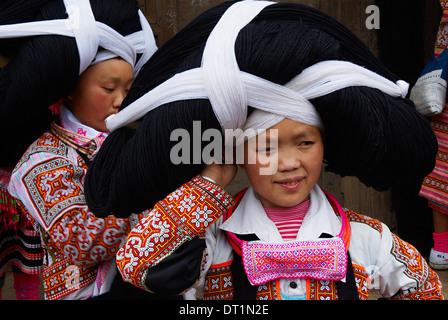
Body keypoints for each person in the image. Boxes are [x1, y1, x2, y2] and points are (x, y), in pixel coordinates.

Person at [78, 1, 441, 300]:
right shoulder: (213, 241)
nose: (288, 163)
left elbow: (425, 287)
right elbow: (138, 266)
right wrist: (212, 181)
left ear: (324, 143)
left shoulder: (365, 238)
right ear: (237, 151)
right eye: (265, 146)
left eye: (305, 143)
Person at [3, 0, 159, 299]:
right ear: (71, 89)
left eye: (128, 89)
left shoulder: (135, 142)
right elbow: (82, 242)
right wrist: (159, 198)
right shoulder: (42, 160)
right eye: (109, 88)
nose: (120, 101)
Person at [418, 0, 448, 271]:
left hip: (443, 96)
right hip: (443, 100)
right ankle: (441, 248)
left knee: (441, 168)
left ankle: (441, 249)